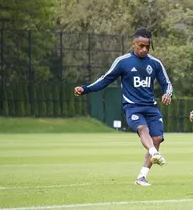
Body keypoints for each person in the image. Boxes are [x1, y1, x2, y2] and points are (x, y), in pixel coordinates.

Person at [74, 27, 173, 186]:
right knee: (143, 129)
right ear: (133, 44)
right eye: (141, 46)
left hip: (151, 107)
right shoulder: (123, 62)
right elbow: (105, 79)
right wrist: (86, 89)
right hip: (132, 107)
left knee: (157, 138)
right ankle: (154, 152)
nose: (144, 49)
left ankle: (141, 177)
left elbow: (166, 83)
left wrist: (168, 94)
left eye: (147, 46)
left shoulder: (155, 63)